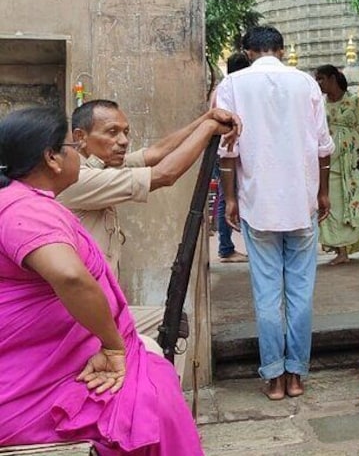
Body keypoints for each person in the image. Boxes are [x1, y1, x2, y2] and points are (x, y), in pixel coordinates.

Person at [0, 106, 203, 455]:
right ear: (52, 157)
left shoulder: (29, 199)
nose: (76, 154)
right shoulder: (24, 208)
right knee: (156, 403)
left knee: (157, 378)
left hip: (63, 348)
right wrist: (112, 346)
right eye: (70, 147)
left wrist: (204, 122)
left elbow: (152, 156)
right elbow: (70, 276)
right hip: (41, 374)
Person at [217, 26, 334, 400]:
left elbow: (226, 150)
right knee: (301, 293)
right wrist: (323, 192)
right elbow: (323, 146)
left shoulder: (232, 85)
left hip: (257, 202)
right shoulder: (306, 84)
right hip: (301, 202)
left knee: (267, 293)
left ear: (247, 51)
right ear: (282, 50)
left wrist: (230, 199)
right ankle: (296, 375)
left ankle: (273, 378)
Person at [58, 100, 240, 274]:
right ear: (80, 137)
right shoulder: (76, 178)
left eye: (125, 132)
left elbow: (156, 153)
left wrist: (205, 118)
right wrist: (208, 128)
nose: (123, 141)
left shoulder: (103, 165)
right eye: (112, 132)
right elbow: (165, 174)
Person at [314, 64, 359, 265]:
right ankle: (340, 251)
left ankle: (349, 247)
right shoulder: (320, 105)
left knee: (353, 202)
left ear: (332, 78)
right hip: (329, 163)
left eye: (321, 79)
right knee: (332, 204)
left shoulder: (356, 102)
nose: (319, 83)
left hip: (351, 163)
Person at [213, 51, 251, 263]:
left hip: (225, 151)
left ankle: (226, 246)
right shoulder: (230, 89)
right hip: (227, 151)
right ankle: (226, 247)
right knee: (226, 198)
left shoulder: (224, 87)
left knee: (225, 197)